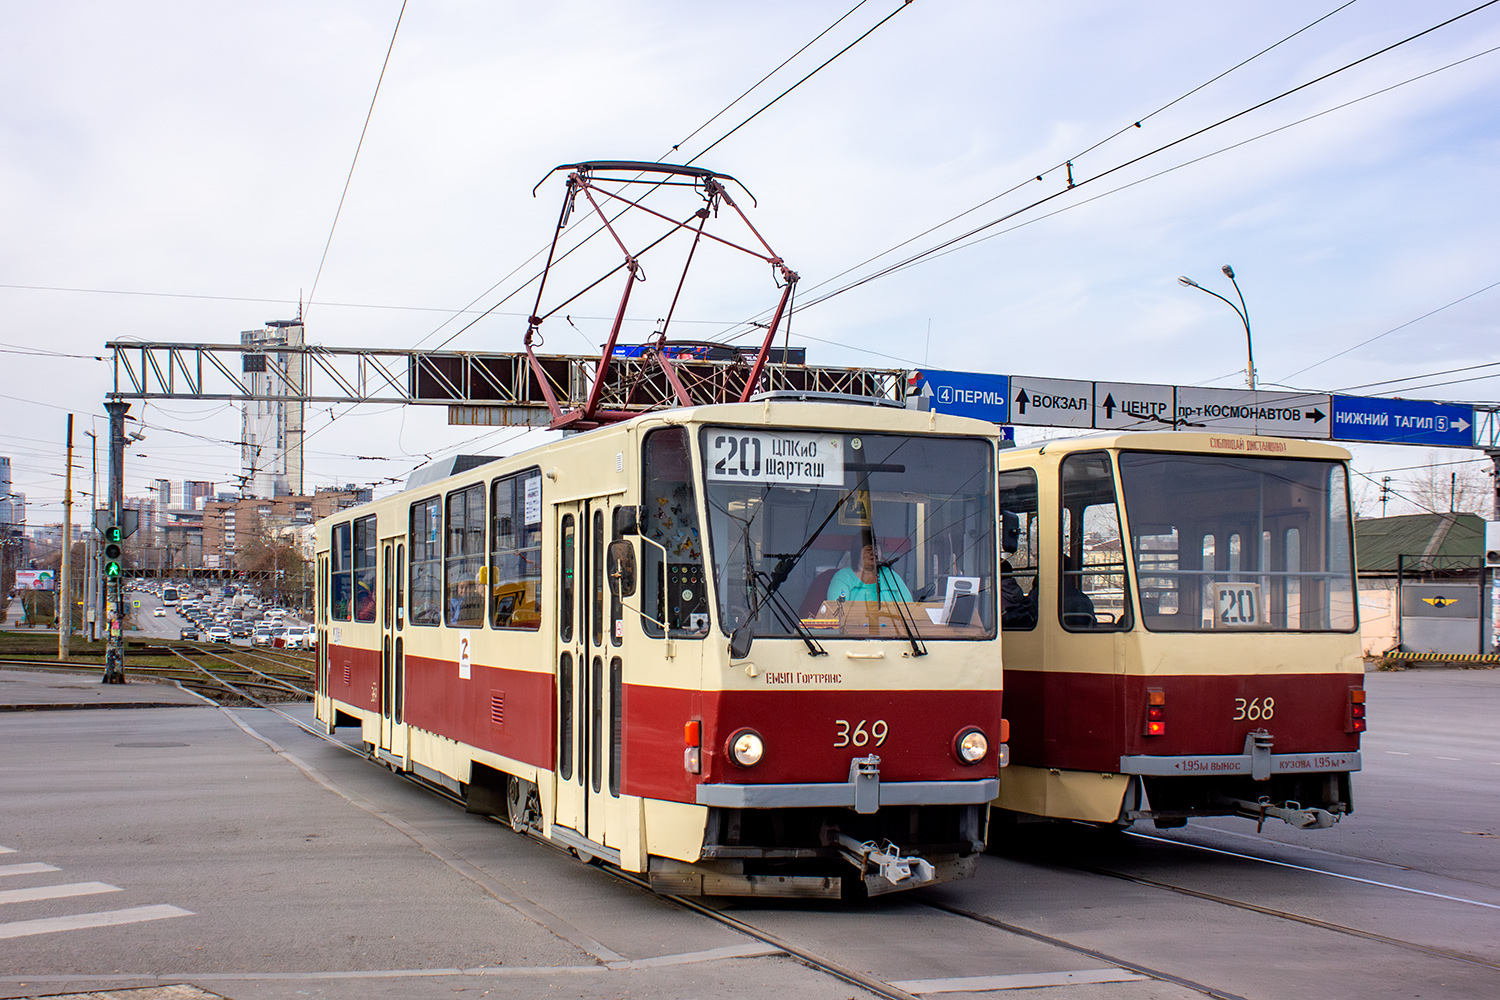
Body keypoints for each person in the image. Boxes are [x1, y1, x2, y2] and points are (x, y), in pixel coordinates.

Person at [826, 536, 912, 604]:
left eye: (876, 549)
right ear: (857, 553)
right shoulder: (842, 578)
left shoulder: (891, 576)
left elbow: (910, 609)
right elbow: (837, 611)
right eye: (868, 550)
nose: (873, 554)